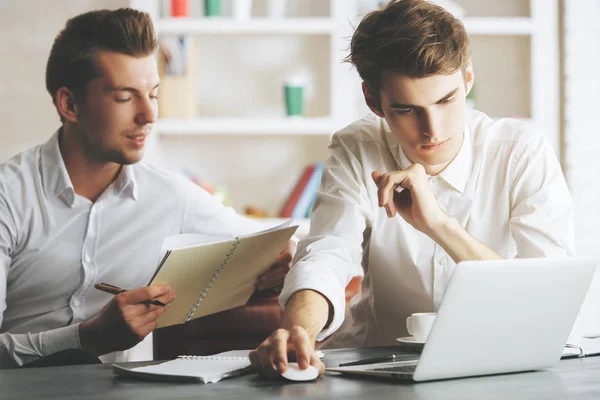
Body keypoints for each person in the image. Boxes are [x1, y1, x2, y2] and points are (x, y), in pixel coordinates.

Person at [250, 0, 574, 377]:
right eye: (406, 109)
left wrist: (438, 223)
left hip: (499, 370)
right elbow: (326, 254)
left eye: (446, 100)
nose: (432, 129)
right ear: (373, 101)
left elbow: (546, 301)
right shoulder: (357, 147)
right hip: (371, 369)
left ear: (468, 78)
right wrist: (297, 332)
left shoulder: (521, 151)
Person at [0, 8, 294, 369]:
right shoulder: (8, 197)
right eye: (125, 98)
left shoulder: (171, 196)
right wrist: (86, 337)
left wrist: (284, 257)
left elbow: (274, 241)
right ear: (70, 104)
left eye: (153, 94)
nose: (149, 115)